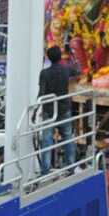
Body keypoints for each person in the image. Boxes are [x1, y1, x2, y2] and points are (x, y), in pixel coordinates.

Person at [38, 44, 80, 174]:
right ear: (60, 57)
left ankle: (45, 170)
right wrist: (72, 55)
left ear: (49, 58)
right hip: (64, 109)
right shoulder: (66, 70)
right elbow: (78, 70)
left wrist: (35, 110)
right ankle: (71, 167)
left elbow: (41, 93)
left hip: (49, 110)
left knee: (47, 141)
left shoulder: (44, 73)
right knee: (67, 139)